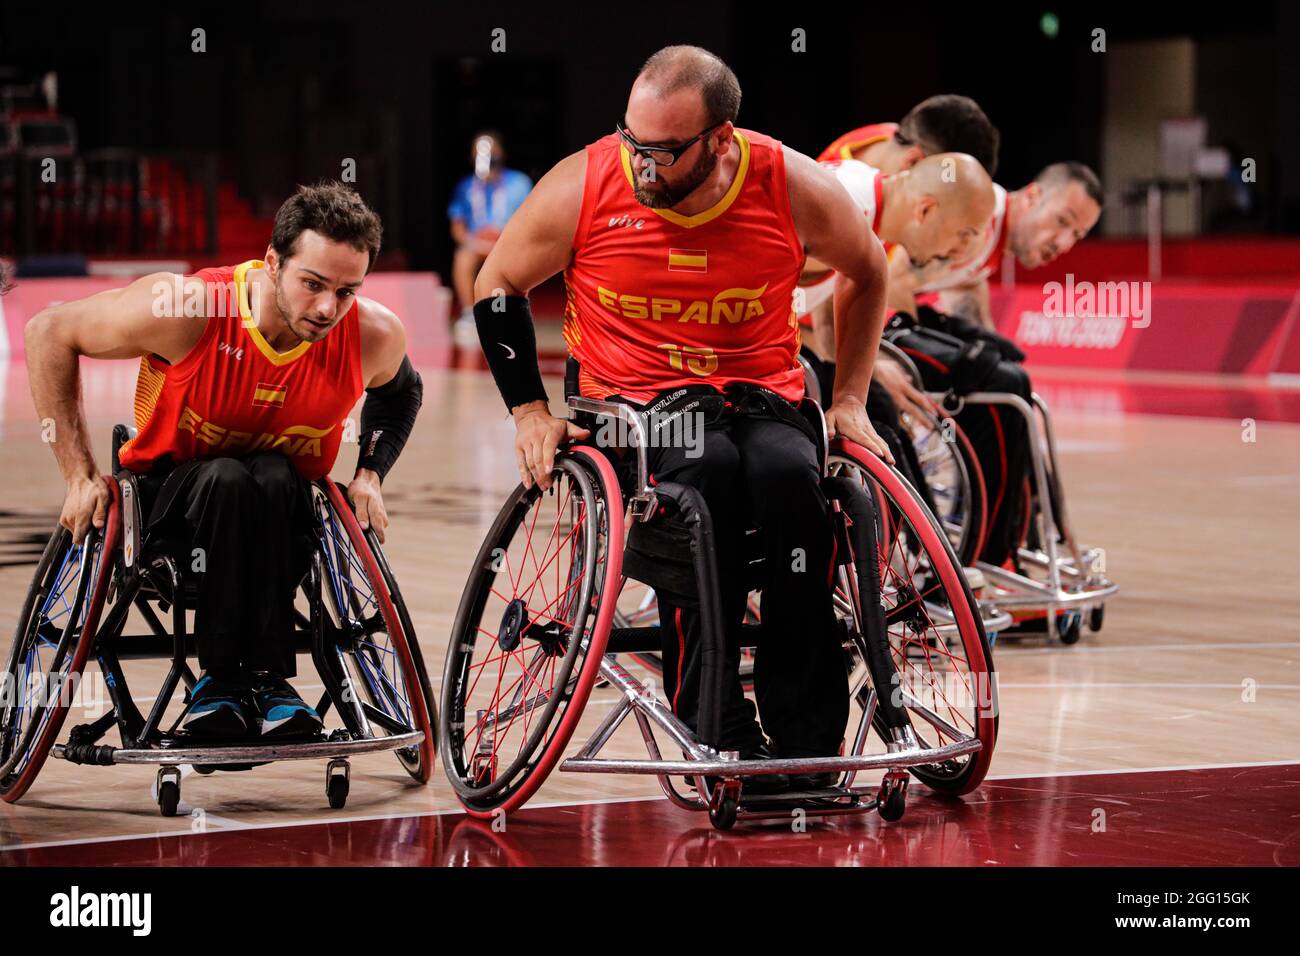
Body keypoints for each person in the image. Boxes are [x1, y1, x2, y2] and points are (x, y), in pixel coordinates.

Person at [472, 45, 892, 790]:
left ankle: (808, 741)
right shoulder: (588, 181)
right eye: (633, 143)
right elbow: (497, 281)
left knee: (793, 484)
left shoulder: (789, 184)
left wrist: (851, 398)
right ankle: (715, 721)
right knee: (707, 477)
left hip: (759, 391)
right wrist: (529, 413)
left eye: (664, 152)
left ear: (720, 139)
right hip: (634, 406)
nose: (642, 166)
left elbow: (869, 270)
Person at [24, 182, 423, 737]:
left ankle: (264, 682)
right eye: (313, 284)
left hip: (282, 519)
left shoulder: (371, 334)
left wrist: (370, 474)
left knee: (277, 474)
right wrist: (77, 475)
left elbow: (402, 392)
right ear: (271, 263)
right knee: (230, 477)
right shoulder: (187, 308)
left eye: (346, 291)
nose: (329, 307)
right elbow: (48, 331)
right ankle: (225, 680)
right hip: (171, 509)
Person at [884, 162, 1103, 568]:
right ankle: (985, 559)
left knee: (1005, 375)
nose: (1064, 242)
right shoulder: (979, 215)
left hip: (891, 319)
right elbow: (892, 275)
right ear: (1033, 196)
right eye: (1062, 222)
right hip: (874, 326)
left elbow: (968, 294)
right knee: (999, 388)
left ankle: (1017, 538)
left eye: (1078, 235)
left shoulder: (990, 243)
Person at [448, 132, 533, 346]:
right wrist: (477, 243)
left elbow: (530, 222)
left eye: (491, 152)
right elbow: (457, 229)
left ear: (501, 154)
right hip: (477, 244)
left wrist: (503, 242)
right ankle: (470, 314)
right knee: (462, 258)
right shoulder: (465, 187)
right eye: (481, 153)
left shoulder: (520, 182)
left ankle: (508, 314)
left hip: (509, 243)